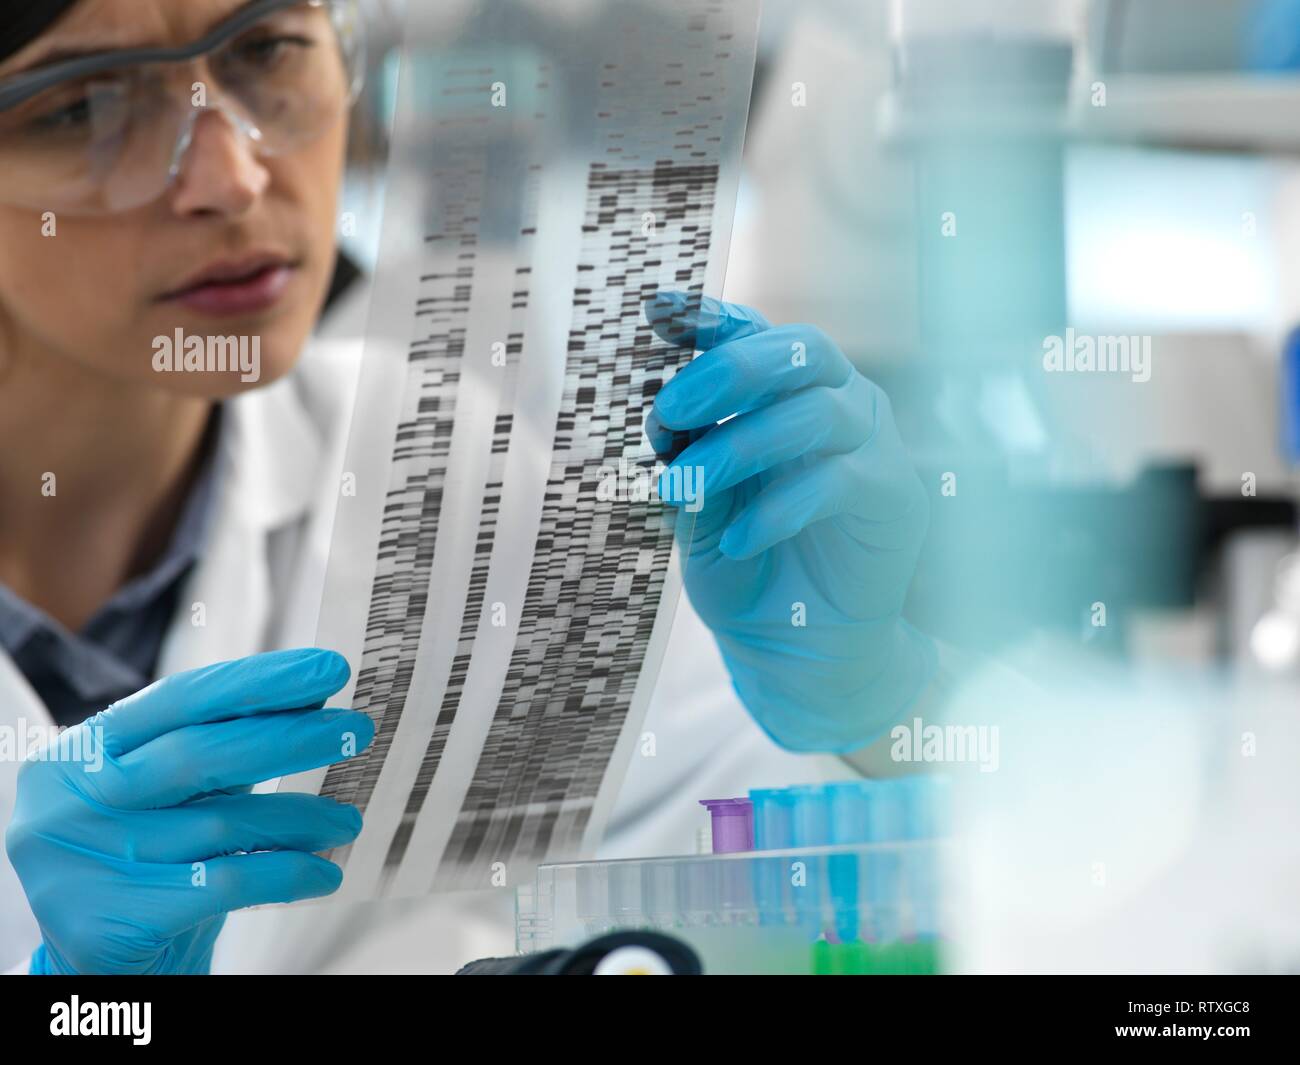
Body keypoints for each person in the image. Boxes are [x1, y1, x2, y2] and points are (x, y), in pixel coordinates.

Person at [0, 0, 938, 974]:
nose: (232, 178)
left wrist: (874, 700)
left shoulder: (445, 476)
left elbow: (822, 896)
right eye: (84, 105)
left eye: (267, 51)